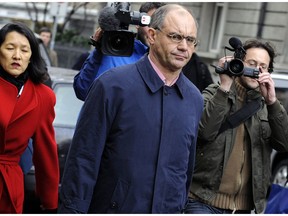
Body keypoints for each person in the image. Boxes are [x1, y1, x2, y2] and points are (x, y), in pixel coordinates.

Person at [58, 4, 203, 213]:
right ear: (152, 35)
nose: (184, 46)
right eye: (175, 36)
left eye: (190, 40)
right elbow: (83, 160)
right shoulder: (111, 86)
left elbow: (184, 171)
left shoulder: (194, 99)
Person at [184, 39, 288, 214]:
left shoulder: (268, 106)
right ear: (238, 62)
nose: (256, 70)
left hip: (243, 208)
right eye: (252, 63)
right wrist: (225, 85)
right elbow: (204, 132)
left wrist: (272, 101)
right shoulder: (214, 92)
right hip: (203, 200)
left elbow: (284, 144)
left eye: (263, 66)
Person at [0, 22, 59, 213]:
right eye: (10, 48)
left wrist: (49, 200)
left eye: (24, 50)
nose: (17, 56)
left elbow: (45, 151)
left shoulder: (42, 96)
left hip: (9, 185)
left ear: (32, 55)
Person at [73, 3, 166, 101]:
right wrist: (99, 51)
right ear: (138, 24)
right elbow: (82, 91)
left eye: (159, 26)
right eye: (150, 23)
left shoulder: (166, 63)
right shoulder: (114, 48)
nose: (153, 32)